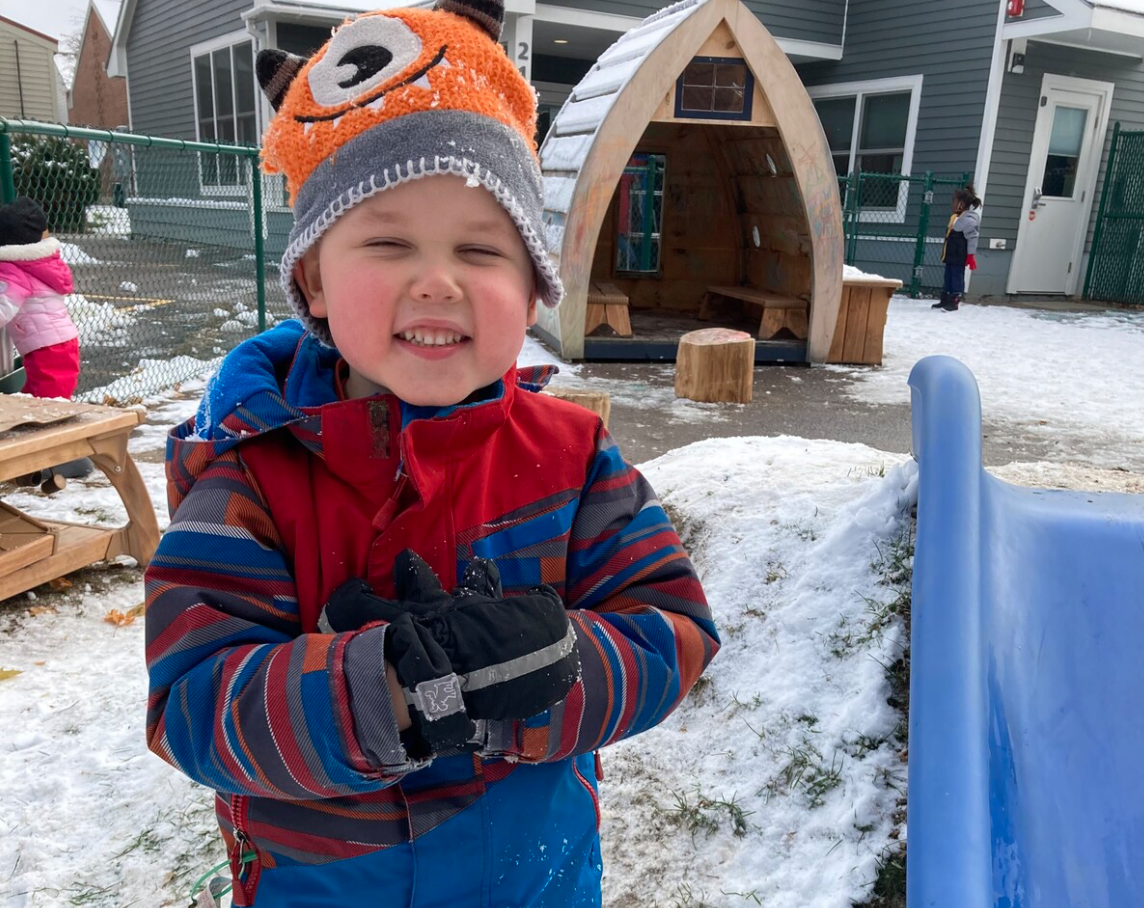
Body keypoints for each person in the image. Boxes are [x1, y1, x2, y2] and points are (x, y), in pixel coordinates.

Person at [143, 3, 719, 907]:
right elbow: (194, 702)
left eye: (482, 250)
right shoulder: (249, 476)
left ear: (532, 291)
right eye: (388, 242)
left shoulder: (573, 457)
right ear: (314, 281)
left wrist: (557, 668)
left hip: (535, 882)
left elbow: (672, 629)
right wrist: (392, 690)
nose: (438, 279)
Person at [0, 196, 93, 487]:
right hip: (56, 342)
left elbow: (4, 306)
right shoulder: (38, 263)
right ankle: (41, 458)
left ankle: (59, 457)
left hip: (47, 347)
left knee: (48, 403)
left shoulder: (13, 270)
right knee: (38, 399)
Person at [934, 184, 981, 312]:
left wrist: (971, 256)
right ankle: (945, 298)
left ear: (962, 204)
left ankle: (954, 300)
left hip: (959, 255)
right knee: (948, 276)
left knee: (956, 277)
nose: (952, 204)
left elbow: (972, 239)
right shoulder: (956, 218)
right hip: (951, 253)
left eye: (954, 202)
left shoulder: (969, 220)